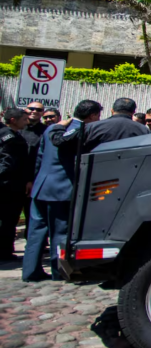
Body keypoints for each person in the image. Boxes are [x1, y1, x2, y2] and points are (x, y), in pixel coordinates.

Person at [23, 100, 102, 281]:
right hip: (63, 187)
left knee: (36, 231)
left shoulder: (52, 128)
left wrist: (35, 181)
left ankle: (30, 271)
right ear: (92, 116)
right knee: (60, 232)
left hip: (42, 186)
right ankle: (58, 272)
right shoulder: (81, 131)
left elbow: (40, 158)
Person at [51, 97, 148, 154]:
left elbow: (60, 140)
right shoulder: (144, 131)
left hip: (96, 179)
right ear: (133, 112)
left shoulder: (92, 127)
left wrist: (58, 127)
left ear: (112, 110)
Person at [0, 108, 32, 262]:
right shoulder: (9, 137)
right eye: (24, 119)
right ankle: (4, 252)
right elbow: (7, 161)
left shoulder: (14, 135)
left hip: (13, 183)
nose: (27, 122)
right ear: (13, 119)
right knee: (8, 219)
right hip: (9, 185)